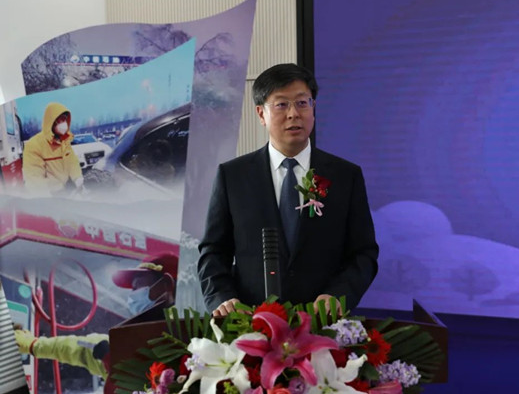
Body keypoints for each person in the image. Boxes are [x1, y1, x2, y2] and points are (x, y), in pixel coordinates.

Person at [198, 63, 379, 317]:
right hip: (250, 322)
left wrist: (339, 295)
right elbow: (213, 252)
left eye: (302, 103)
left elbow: (363, 253)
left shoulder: (345, 176)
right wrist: (223, 298)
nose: (293, 113)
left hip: (322, 323)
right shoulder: (233, 176)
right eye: (281, 104)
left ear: (313, 108)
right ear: (261, 114)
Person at [13, 252, 178, 390]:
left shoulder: (182, 340)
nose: (132, 295)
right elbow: (83, 347)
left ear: (165, 285)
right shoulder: (136, 338)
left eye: (138, 285)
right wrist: (35, 345)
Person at [22, 102, 84, 195]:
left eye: (64, 119)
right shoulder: (34, 144)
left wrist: (77, 177)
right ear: (51, 121)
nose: (64, 123)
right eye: (60, 120)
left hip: (66, 190)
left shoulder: (64, 142)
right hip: (51, 195)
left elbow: (72, 162)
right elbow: (34, 179)